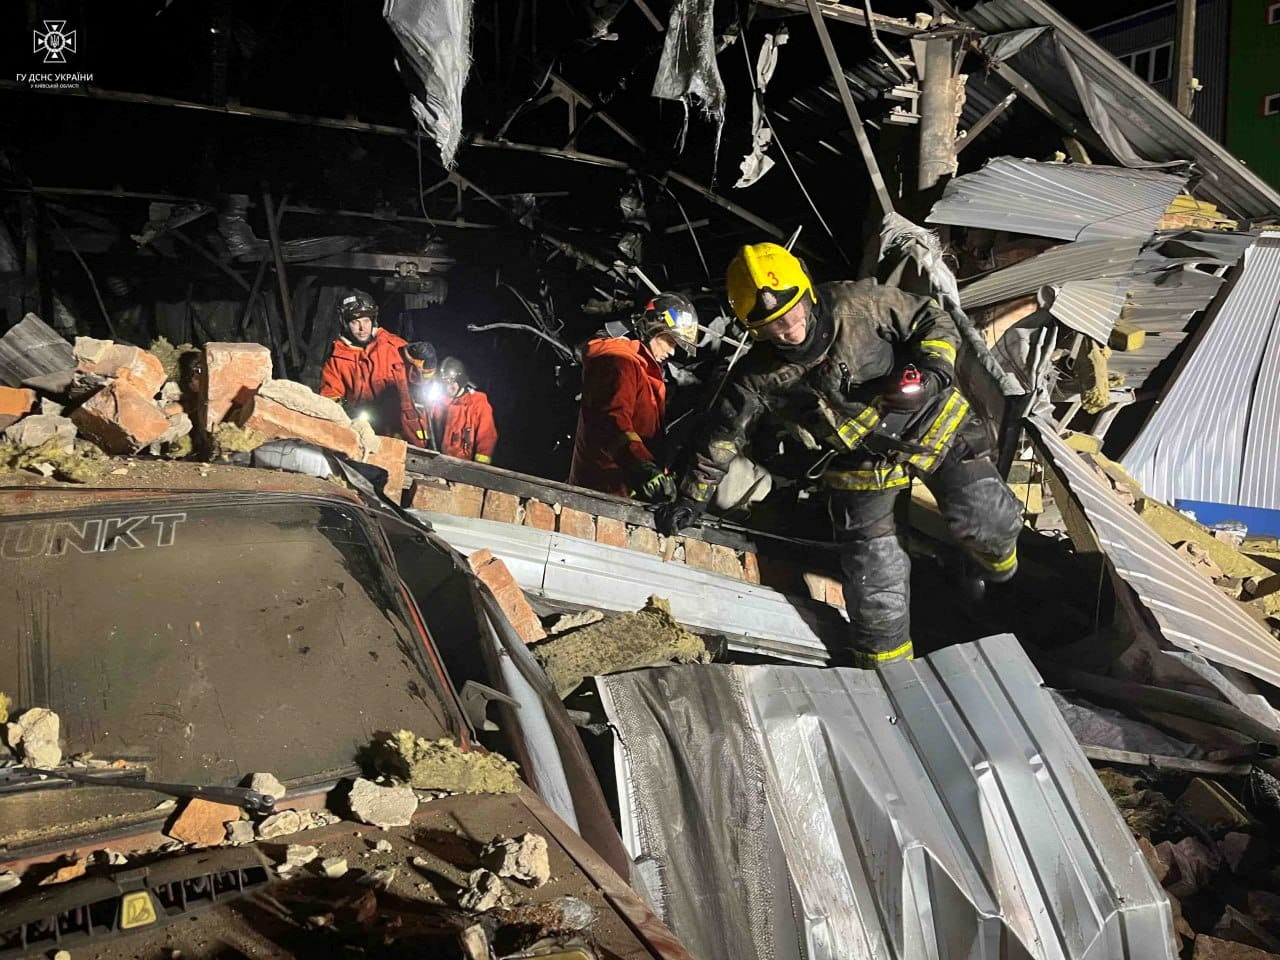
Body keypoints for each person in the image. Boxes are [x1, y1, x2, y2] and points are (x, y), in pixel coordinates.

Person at [656, 243, 1022, 668]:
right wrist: (689, 500)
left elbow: (932, 317)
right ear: (752, 329)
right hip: (859, 470)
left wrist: (931, 371)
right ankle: (889, 677)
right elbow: (720, 441)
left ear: (807, 293)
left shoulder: (858, 303)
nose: (787, 329)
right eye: (769, 324)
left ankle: (998, 580)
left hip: (932, 425)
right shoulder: (756, 377)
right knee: (875, 592)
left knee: (988, 520)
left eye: (790, 312)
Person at [569, 292, 699, 500]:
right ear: (653, 329)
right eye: (670, 341)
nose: (673, 352)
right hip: (601, 493)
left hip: (624, 493)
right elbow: (611, 423)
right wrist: (644, 468)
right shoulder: (619, 362)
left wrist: (660, 472)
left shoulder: (648, 375)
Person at [319, 290, 425, 443]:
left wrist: (428, 364)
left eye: (366, 321)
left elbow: (421, 380)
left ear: (373, 320)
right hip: (364, 431)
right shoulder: (338, 358)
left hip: (404, 430)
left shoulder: (394, 346)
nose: (362, 328)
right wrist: (348, 412)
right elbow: (329, 396)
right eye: (355, 322)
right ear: (345, 323)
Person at [430, 356, 498, 463]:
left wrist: (480, 466)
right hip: (440, 460)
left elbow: (487, 435)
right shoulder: (439, 402)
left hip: (465, 464)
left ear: (461, 381)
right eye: (445, 382)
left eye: (452, 382)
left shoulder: (477, 402)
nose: (448, 387)